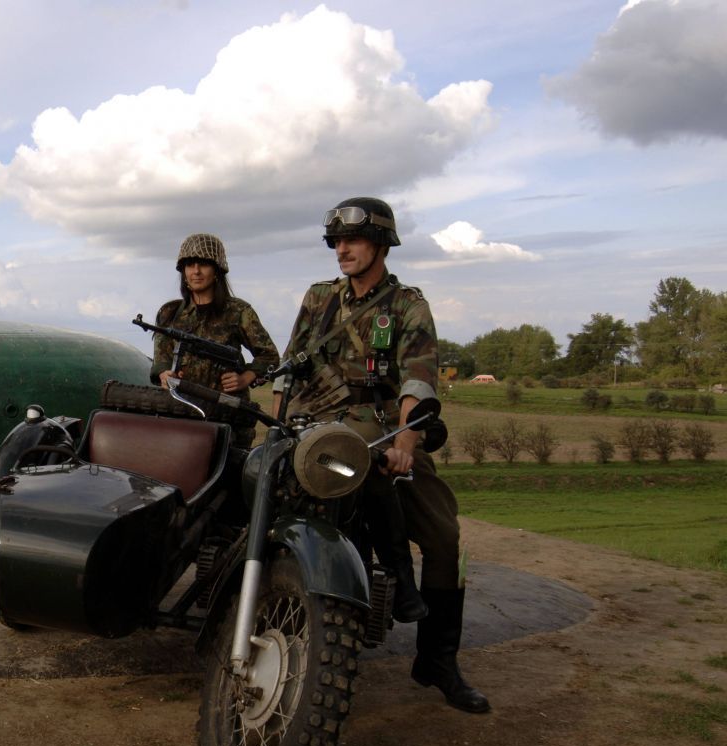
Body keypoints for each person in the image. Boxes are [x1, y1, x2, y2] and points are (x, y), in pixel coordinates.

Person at [275, 197, 490, 713]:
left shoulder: (407, 305)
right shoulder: (318, 299)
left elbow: (418, 376)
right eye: (336, 242)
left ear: (382, 244)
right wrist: (277, 426)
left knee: (444, 536)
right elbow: (290, 367)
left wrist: (405, 444)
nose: (342, 250)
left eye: (352, 241)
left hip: (384, 436)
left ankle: (437, 659)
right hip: (314, 434)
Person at [150, 233, 279, 448]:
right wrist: (165, 375)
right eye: (190, 265)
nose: (196, 271)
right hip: (182, 416)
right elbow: (160, 362)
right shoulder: (169, 313)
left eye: (204, 264)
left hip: (227, 419)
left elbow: (270, 355)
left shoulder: (238, 311)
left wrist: (245, 377)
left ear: (217, 270)